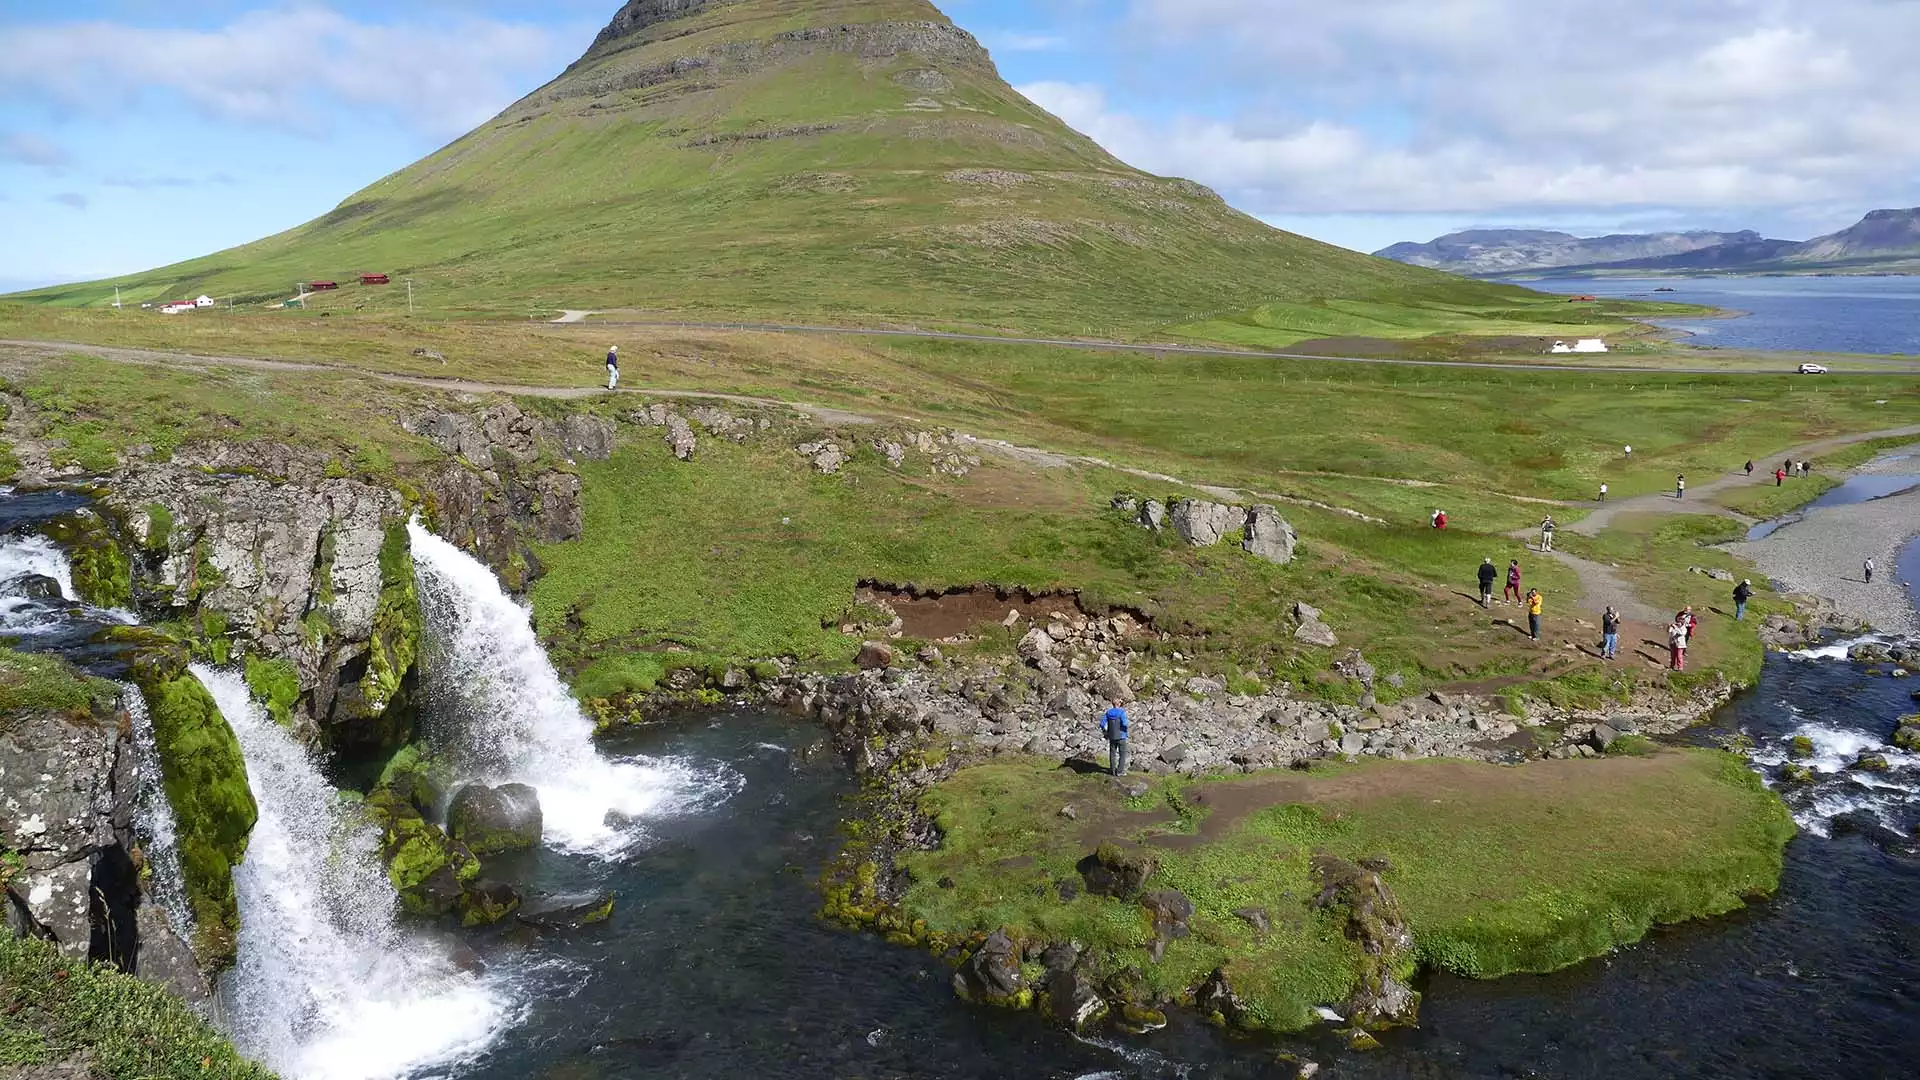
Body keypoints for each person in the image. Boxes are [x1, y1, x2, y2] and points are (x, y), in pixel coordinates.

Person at [1100, 706, 1130, 777]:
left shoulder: (1108, 712)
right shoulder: (1121, 712)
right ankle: (1120, 771)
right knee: (1122, 754)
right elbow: (1125, 723)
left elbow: (1102, 724)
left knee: (1112, 753)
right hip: (1121, 736)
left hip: (1112, 736)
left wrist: (1105, 732)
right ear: (1119, 704)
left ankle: (1112, 771)